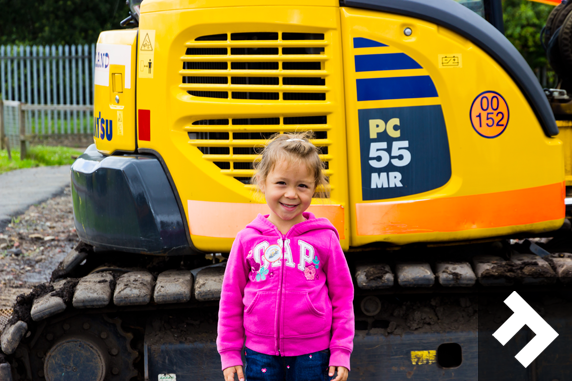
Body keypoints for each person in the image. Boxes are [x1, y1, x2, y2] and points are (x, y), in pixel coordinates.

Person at [216, 131, 354, 381]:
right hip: (260, 354)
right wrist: (229, 353)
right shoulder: (247, 239)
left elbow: (343, 298)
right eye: (282, 183)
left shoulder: (325, 239)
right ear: (262, 182)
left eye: (302, 185)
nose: (291, 194)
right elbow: (230, 300)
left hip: (314, 355)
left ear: (314, 188)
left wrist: (341, 351)